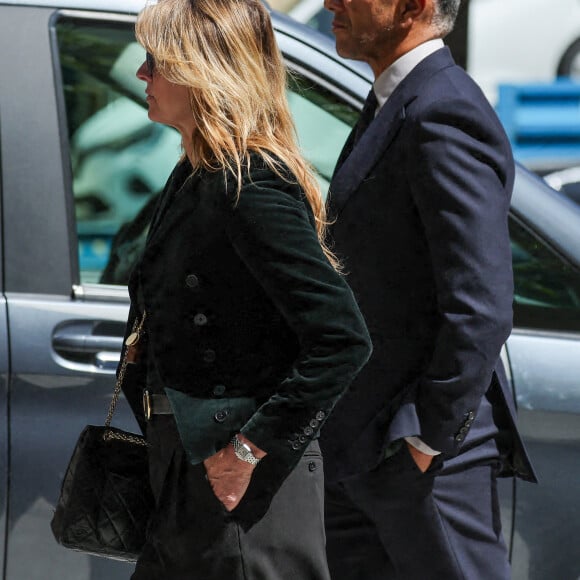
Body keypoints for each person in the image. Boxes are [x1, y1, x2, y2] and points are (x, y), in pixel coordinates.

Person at [121, 0, 372, 578]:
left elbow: (342, 339)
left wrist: (248, 450)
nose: (142, 75)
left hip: (241, 493)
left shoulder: (250, 183)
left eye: (157, 61)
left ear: (205, 69)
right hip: (189, 473)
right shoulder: (198, 171)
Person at [318, 1, 537, 578]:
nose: (329, 3)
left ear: (412, 5)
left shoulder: (442, 109)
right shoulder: (397, 100)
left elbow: (481, 305)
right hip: (362, 450)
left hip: (419, 461)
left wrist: (426, 439)